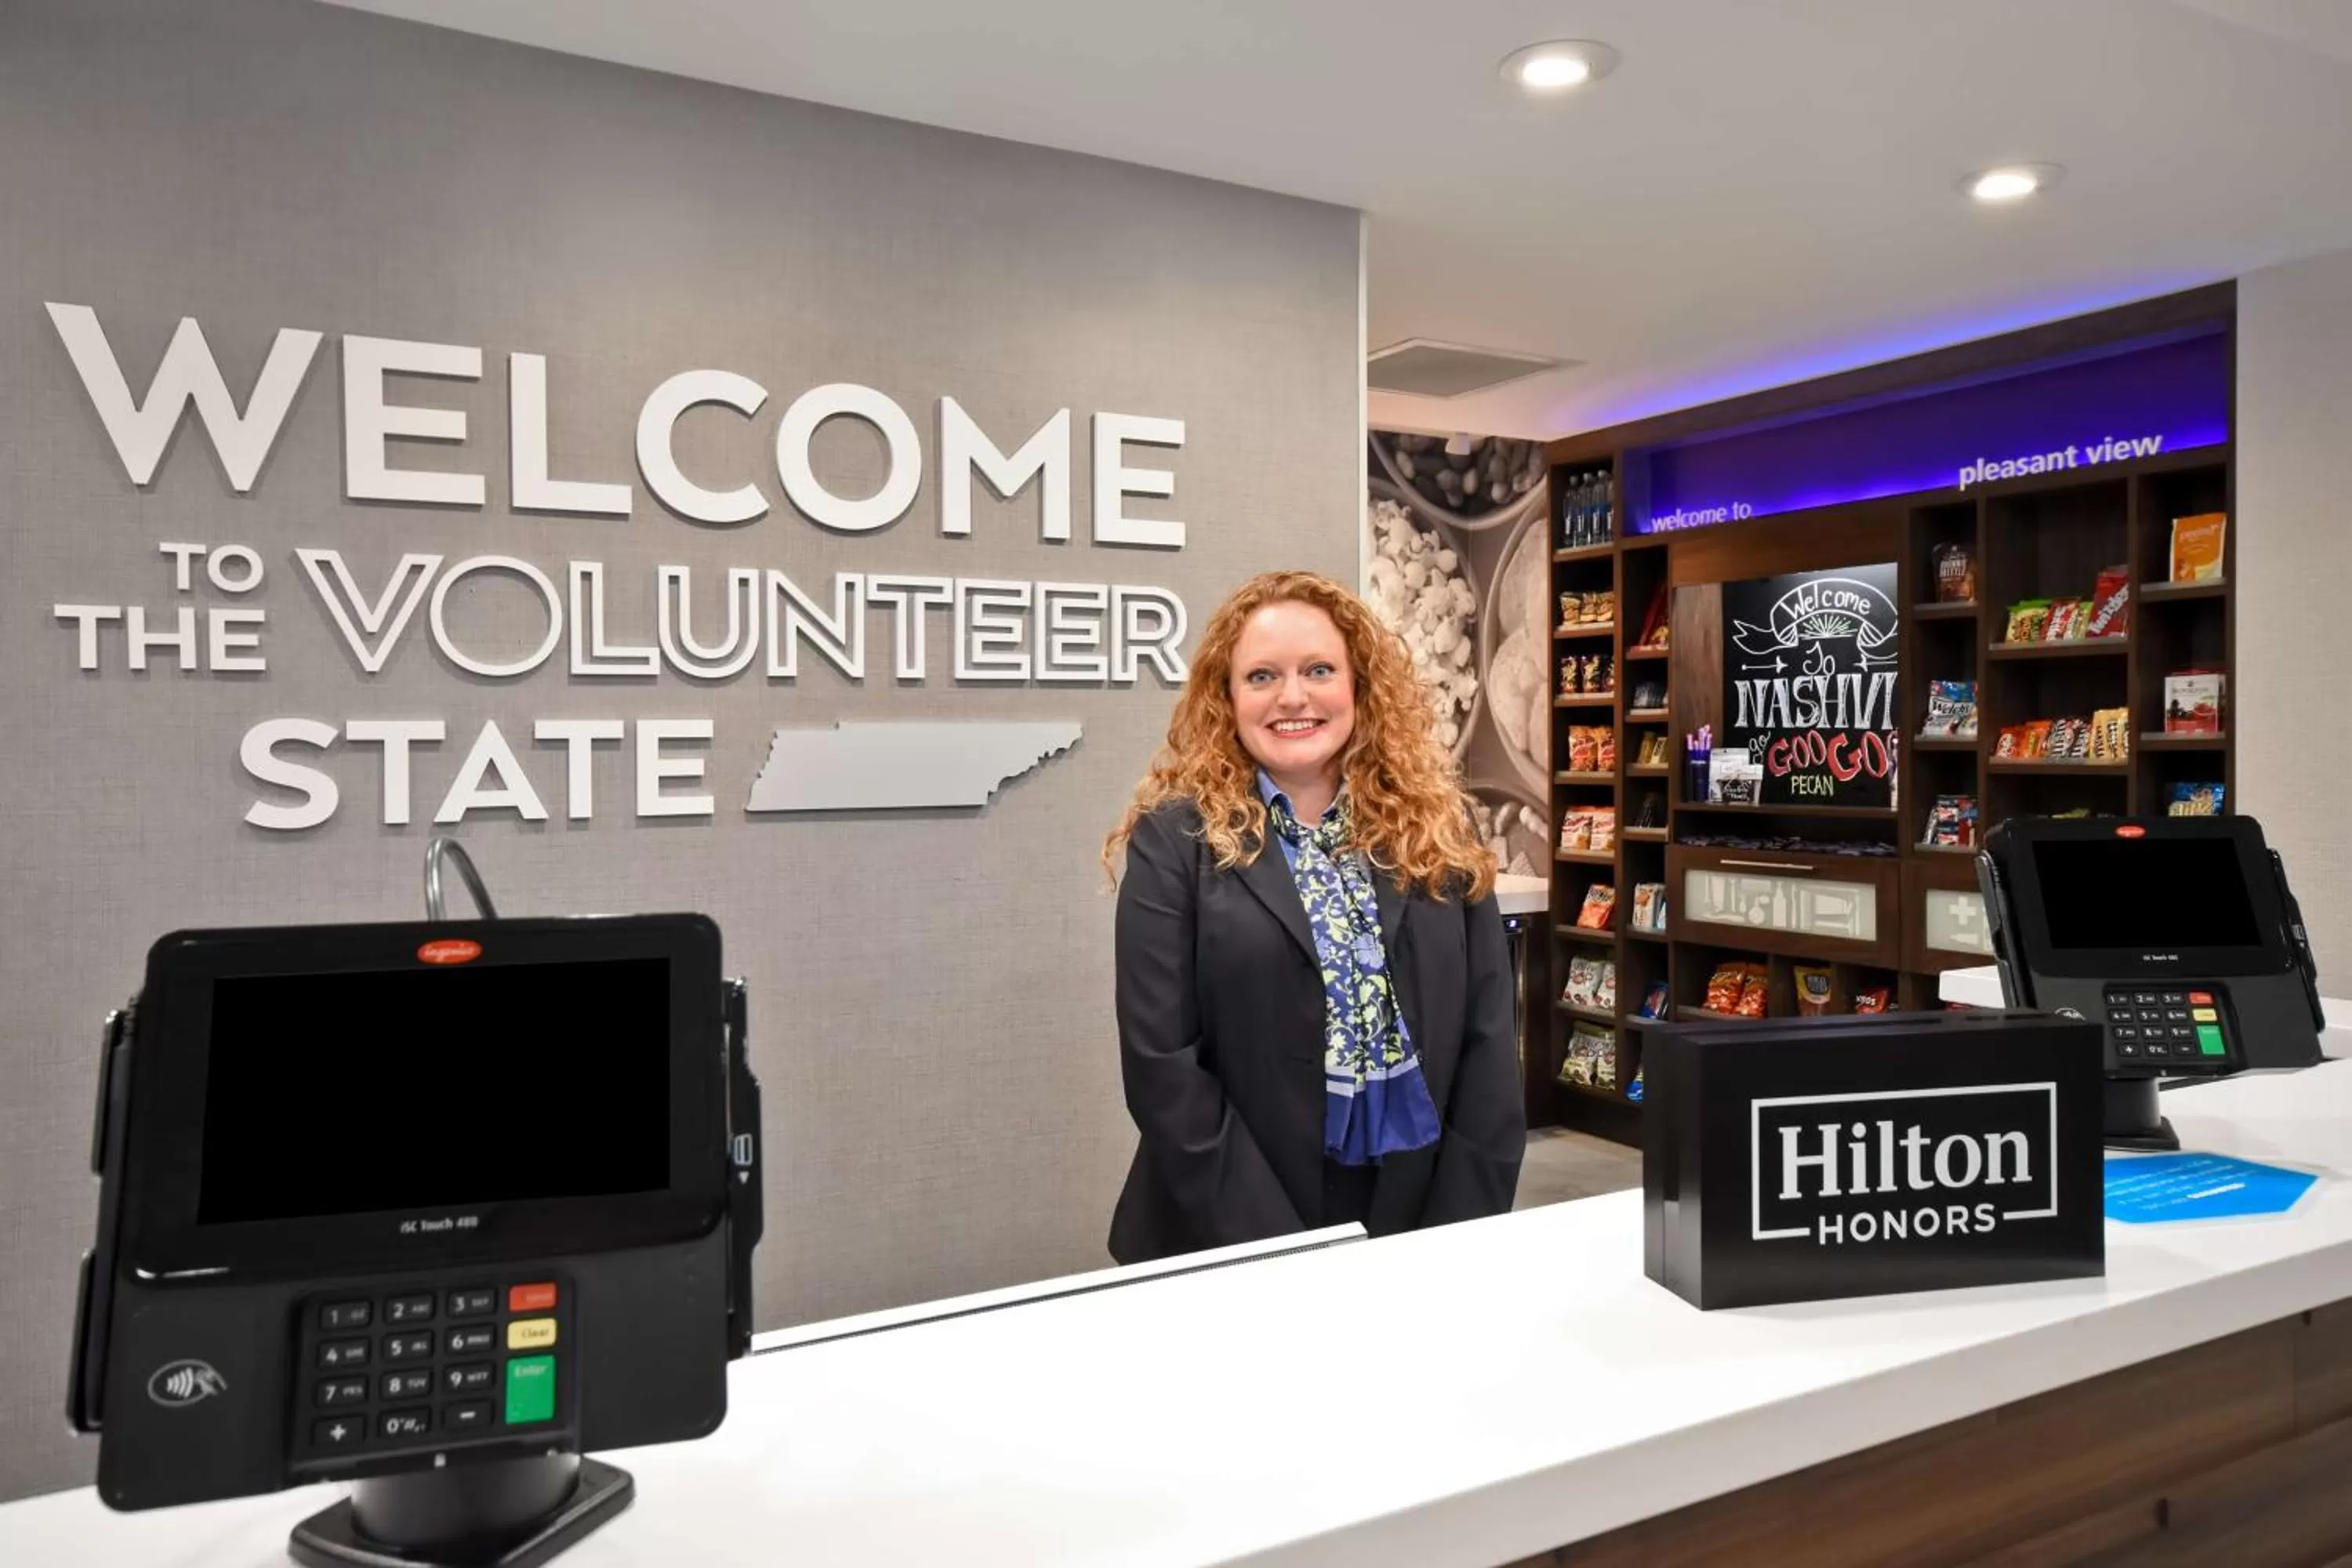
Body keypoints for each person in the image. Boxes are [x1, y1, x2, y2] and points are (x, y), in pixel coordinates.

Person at [1101, 568, 1523, 1263]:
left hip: (1416, 1221)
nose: (1293, 696)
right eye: (1262, 676)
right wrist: (1285, 1260)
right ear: (1227, 698)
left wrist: (1457, 1239)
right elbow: (1162, 1068)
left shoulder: (1440, 831)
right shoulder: (1174, 841)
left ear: (1359, 685)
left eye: (1319, 670)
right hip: (1225, 1232)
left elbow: (1487, 1051)